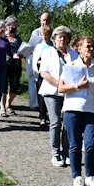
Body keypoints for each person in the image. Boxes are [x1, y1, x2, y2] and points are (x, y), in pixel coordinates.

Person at [58, 36, 94, 186]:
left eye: (92, 47)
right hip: (72, 109)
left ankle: (90, 178)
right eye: (88, 46)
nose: (90, 49)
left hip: (91, 111)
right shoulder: (71, 65)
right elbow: (61, 89)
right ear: (79, 48)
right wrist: (77, 86)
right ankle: (77, 178)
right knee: (75, 145)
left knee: (90, 145)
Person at [38, 26, 78, 167]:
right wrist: (59, 86)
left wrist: (70, 88)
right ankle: (55, 153)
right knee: (55, 122)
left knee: (68, 124)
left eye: (64, 37)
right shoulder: (48, 52)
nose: (62, 39)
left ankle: (66, 152)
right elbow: (44, 73)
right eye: (59, 37)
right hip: (52, 92)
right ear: (54, 39)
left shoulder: (74, 54)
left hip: (69, 93)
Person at [26, 12, 50, 115]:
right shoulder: (36, 32)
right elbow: (31, 46)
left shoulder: (52, 32)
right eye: (43, 20)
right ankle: (35, 104)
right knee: (34, 82)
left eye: (47, 20)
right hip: (36, 60)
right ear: (40, 20)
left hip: (48, 62)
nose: (45, 22)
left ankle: (45, 107)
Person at [0, 15, 23, 117]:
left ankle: (8, 104)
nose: (14, 28)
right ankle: (2, 108)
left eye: (15, 26)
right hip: (4, 65)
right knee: (3, 87)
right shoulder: (2, 37)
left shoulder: (18, 38)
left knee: (14, 87)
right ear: (7, 26)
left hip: (16, 65)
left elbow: (22, 49)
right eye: (12, 26)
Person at [31, 25, 53, 127]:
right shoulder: (39, 47)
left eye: (46, 35)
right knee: (41, 95)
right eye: (43, 35)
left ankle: (51, 115)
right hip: (41, 74)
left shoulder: (53, 46)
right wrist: (44, 62)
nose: (44, 37)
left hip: (52, 74)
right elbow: (35, 61)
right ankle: (42, 117)